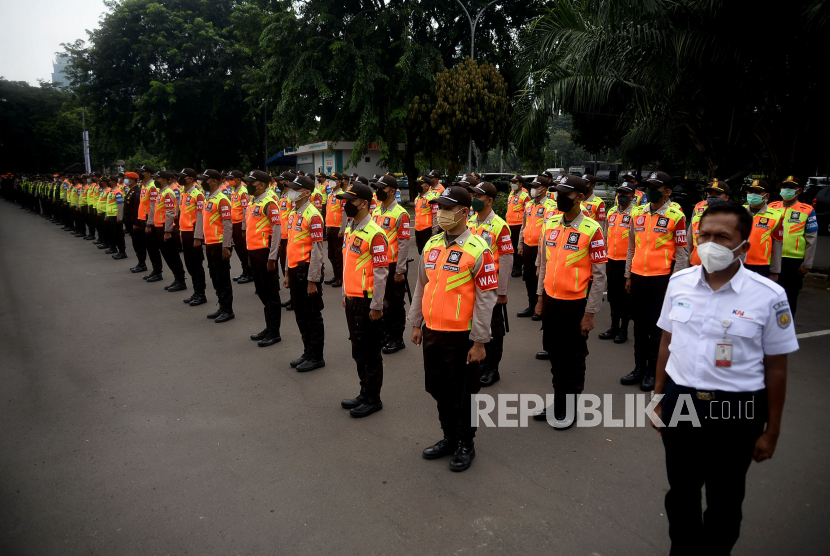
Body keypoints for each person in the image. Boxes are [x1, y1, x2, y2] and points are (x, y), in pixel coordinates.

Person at [653, 202, 796, 556]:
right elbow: (667, 343)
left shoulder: (769, 296)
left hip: (736, 409)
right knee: (681, 493)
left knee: (725, 500)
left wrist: (771, 430)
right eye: (704, 235)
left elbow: (777, 366)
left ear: (743, 246)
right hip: (682, 400)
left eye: (722, 237)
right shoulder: (680, 283)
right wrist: (658, 398)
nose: (710, 243)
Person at [408, 185, 498, 473]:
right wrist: (416, 323)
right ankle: (449, 436)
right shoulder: (432, 245)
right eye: (440, 208)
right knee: (439, 389)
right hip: (433, 332)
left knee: (463, 394)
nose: (442, 213)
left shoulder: (479, 250)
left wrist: (480, 341)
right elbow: (421, 286)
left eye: (447, 209)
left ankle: (465, 443)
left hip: (463, 337)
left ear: (464, 212)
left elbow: (486, 299)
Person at [532, 175, 607, 429]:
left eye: (566, 194)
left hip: (576, 305)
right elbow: (543, 265)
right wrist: (540, 299)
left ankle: (570, 407)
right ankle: (558, 402)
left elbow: (599, 276)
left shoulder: (592, 229)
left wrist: (591, 312)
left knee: (573, 357)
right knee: (554, 353)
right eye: (558, 193)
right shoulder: (550, 223)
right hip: (551, 302)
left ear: (581, 197)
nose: (559, 197)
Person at [621, 171, 688, 391]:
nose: (650, 190)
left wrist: (675, 284)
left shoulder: (676, 216)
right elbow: (631, 248)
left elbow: (681, 254)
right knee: (639, 325)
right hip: (639, 278)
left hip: (661, 281)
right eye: (648, 186)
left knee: (656, 328)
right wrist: (628, 275)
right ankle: (638, 367)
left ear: (668, 192)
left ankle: (652, 370)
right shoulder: (638, 213)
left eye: (655, 187)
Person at [337, 181, 390, 417]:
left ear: (364, 204)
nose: (346, 205)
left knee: (370, 351)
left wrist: (377, 305)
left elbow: (381, 273)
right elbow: (348, 266)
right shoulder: (351, 228)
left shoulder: (376, 234)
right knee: (358, 349)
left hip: (367, 303)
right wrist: (344, 293)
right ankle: (363, 391)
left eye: (351, 201)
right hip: (352, 299)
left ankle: (373, 397)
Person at [466, 181, 513, 387]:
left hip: (490, 286)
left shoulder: (500, 226)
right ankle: (479, 361)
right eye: (473, 195)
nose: (474, 199)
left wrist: (502, 291)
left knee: (493, 327)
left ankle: (492, 368)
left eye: (478, 196)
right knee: (474, 324)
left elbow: (506, 258)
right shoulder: (470, 222)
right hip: (469, 285)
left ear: (489, 200)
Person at [283, 175, 326, 372]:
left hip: (307, 270)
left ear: (307, 192)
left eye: (296, 189)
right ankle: (307, 351)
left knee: (312, 315)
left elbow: (317, 251)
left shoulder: (313, 215)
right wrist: (286, 272)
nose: (291, 191)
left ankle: (316, 356)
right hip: (294, 270)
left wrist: (312, 280)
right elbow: (290, 245)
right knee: (300, 314)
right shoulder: (293, 213)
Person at [768, 176, 819, 316]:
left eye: (791, 188)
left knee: (789, 298)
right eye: (784, 187)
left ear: (799, 190)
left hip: (793, 261)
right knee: (768, 296)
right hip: (770, 258)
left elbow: (811, 239)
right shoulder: (771, 207)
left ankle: (786, 330)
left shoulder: (807, 210)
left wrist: (807, 264)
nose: (786, 190)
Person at [371, 174, 411, 354]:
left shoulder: (400, 213)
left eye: (381, 188)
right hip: (380, 264)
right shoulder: (377, 211)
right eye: (377, 188)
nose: (378, 192)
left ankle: (397, 338)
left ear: (392, 191)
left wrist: (400, 270)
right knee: (382, 301)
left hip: (394, 265)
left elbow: (403, 243)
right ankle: (386, 334)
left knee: (395, 303)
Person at [245, 170, 283, 347]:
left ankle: (274, 332)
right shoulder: (254, 201)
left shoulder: (270, 203)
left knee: (271, 294)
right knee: (261, 291)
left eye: (251, 182)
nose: (248, 185)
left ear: (260, 184)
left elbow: (276, 231)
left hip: (265, 252)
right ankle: (269, 327)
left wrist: (272, 257)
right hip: (254, 252)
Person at [599, 181, 636, 344]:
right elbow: (606, 237)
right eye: (620, 193)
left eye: (626, 194)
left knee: (625, 297)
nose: (622, 196)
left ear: (633, 196)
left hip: (627, 262)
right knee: (613, 296)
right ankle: (613, 327)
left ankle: (623, 329)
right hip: (611, 260)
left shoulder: (637, 214)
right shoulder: (611, 212)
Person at [200, 169, 235, 322]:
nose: (202, 183)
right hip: (210, 243)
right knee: (214, 276)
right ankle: (221, 306)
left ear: (213, 181)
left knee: (223, 278)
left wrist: (226, 247)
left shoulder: (222, 199)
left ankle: (228, 310)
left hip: (220, 243)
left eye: (205, 180)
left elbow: (228, 225)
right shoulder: (210, 198)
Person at [517, 174, 550, 320]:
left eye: (536, 187)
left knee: (540, 278)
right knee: (529, 278)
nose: (533, 190)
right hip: (527, 246)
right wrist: (520, 244)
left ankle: (541, 307)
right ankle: (532, 305)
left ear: (544, 189)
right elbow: (524, 226)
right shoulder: (529, 204)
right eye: (532, 187)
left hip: (541, 248)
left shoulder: (550, 206)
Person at [147, 171, 187, 292]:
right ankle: (177, 279)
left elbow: (170, 212)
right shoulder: (162, 193)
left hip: (166, 228)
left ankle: (181, 281)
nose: (155, 181)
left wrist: (168, 231)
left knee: (173, 255)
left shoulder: (168, 193)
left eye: (157, 179)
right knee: (167, 255)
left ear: (164, 180)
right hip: (160, 227)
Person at [178, 168, 208, 307]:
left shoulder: (197, 195)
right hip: (185, 231)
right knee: (189, 263)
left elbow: (200, 217)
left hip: (193, 232)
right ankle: (196, 292)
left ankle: (201, 294)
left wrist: (197, 237)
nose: (181, 179)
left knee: (196, 264)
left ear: (190, 178)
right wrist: (180, 233)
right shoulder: (184, 194)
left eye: (183, 177)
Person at [743, 179, 783, 279]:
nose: (753, 194)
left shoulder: (776, 216)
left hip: (761, 266)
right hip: (738, 263)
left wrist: (775, 271)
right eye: (751, 192)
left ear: (767, 196)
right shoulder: (738, 211)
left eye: (758, 192)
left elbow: (777, 245)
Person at [687, 179, 731, 267]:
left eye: (718, 194)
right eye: (710, 194)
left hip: (721, 268)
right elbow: (689, 242)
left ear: (726, 198)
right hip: (696, 264)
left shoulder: (732, 216)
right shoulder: (698, 211)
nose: (713, 197)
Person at [138, 166, 164, 281]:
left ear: (148, 174)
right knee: (149, 247)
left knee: (153, 247)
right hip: (144, 218)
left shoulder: (152, 187)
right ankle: (155, 270)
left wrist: (149, 223)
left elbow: (153, 206)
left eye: (142, 172)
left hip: (150, 220)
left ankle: (158, 272)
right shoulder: (145, 186)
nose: (140, 174)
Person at [228, 170, 253, 284]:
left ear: (238, 179)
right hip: (234, 223)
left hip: (240, 224)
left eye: (231, 179)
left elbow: (245, 211)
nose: (229, 181)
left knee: (243, 250)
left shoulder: (243, 192)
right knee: (238, 249)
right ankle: (244, 271)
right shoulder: (234, 191)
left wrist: (243, 227)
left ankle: (249, 273)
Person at [323, 172, 346, 288]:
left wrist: (342, 230)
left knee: (338, 255)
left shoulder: (342, 195)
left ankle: (341, 278)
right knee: (331, 254)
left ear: (339, 182)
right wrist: (327, 226)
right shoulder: (331, 195)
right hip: (330, 227)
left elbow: (344, 214)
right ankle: (336, 275)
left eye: (333, 179)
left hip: (338, 229)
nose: (331, 181)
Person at [506, 174, 530, 277]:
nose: (513, 184)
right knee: (511, 247)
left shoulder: (525, 196)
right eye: (512, 182)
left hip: (518, 224)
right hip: (509, 224)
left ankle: (518, 268)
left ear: (520, 184)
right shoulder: (511, 193)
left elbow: (527, 212)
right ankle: (514, 266)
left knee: (518, 247)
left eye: (515, 182)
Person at [413, 175, 439, 254]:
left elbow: (436, 216)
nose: (418, 186)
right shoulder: (417, 198)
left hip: (428, 230)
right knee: (421, 253)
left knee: (428, 253)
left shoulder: (432, 198)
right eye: (418, 184)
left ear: (427, 186)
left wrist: (434, 233)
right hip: (418, 230)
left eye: (421, 184)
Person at [123, 172, 141, 264]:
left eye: (127, 178)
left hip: (134, 221)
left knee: (138, 243)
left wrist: (136, 223)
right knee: (135, 243)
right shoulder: (131, 190)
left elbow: (137, 209)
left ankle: (142, 263)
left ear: (133, 180)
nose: (126, 180)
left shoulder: (137, 191)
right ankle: (140, 263)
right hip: (129, 220)